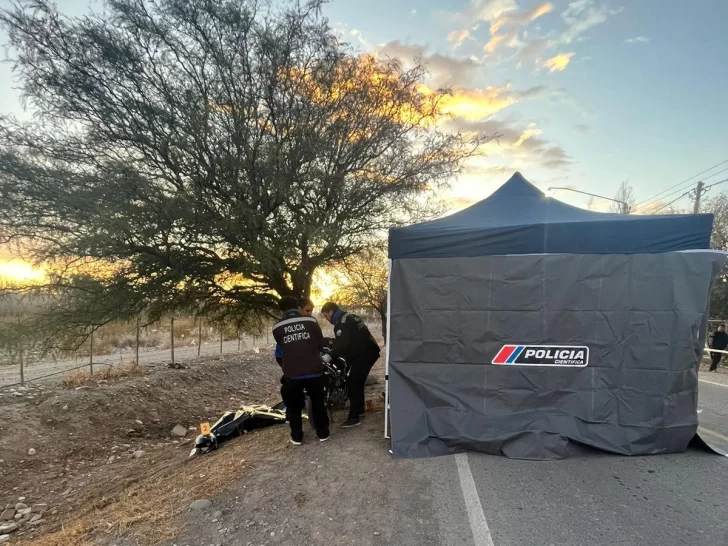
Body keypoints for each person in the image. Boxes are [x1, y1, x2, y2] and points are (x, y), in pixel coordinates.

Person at [272, 295, 330, 444]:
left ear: (282, 310)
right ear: (298, 307)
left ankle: (297, 436)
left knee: (294, 406)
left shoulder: (277, 328)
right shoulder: (311, 321)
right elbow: (319, 345)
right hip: (314, 370)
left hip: (292, 374)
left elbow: (281, 350)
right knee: (318, 402)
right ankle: (323, 433)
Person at [321, 302, 381, 428]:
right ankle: (360, 410)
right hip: (369, 351)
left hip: (364, 355)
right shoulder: (349, 317)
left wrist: (329, 355)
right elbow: (348, 339)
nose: (327, 319)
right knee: (357, 381)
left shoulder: (341, 323)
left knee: (353, 382)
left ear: (331, 312)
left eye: (326, 316)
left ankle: (354, 417)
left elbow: (343, 345)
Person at [274, 297, 315, 367]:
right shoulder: (311, 323)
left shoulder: (312, 323)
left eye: (311, 311)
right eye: (307, 311)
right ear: (299, 309)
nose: (310, 314)